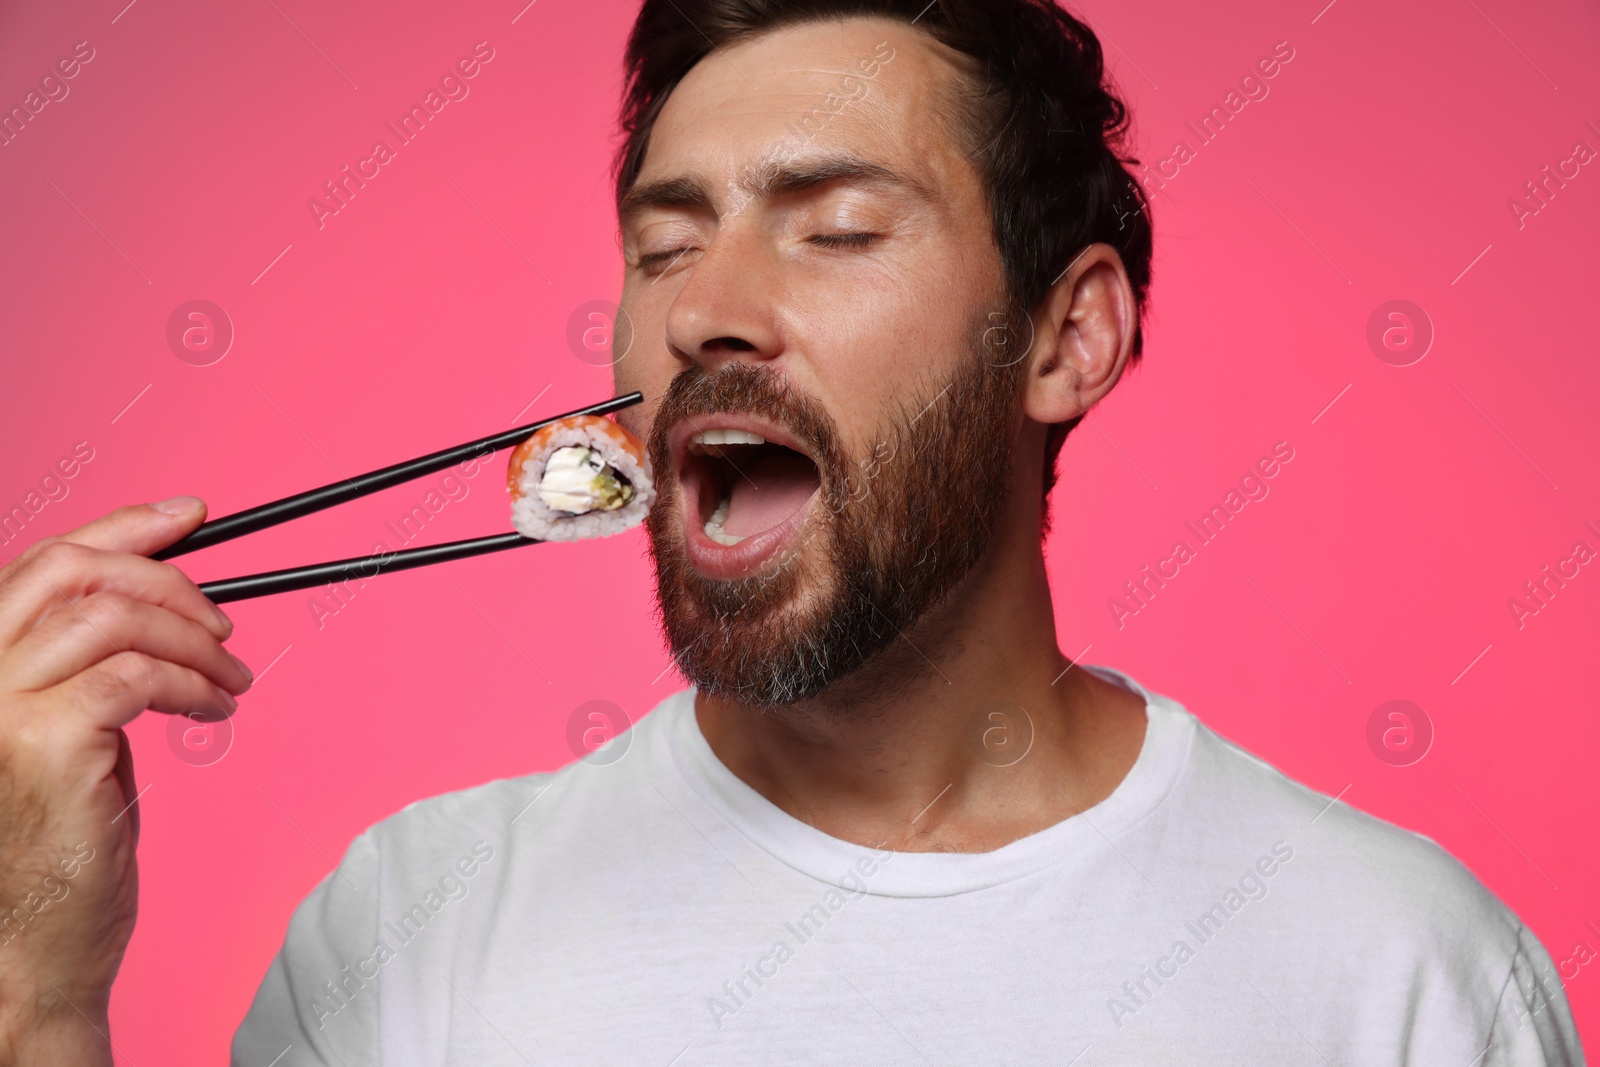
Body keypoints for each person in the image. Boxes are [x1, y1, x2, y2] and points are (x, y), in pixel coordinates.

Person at [0, 1, 1582, 1063]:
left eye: (834, 230)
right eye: (665, 244)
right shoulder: (407, 937)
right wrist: (36, 987)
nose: (708, 311)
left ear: (1065, 339)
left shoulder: (1398, 976)